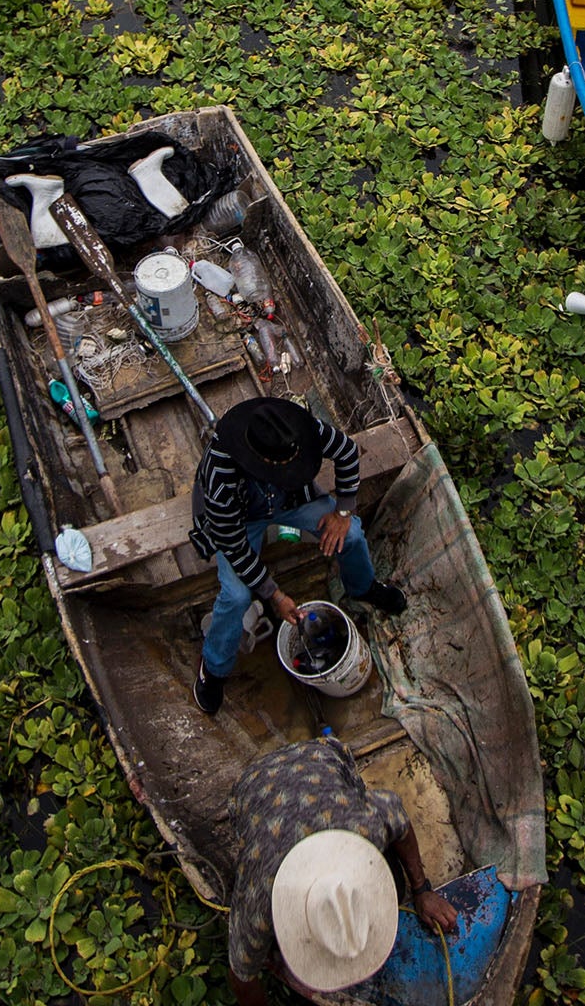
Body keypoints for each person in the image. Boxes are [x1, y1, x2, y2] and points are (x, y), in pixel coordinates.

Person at [190, 398, 407, 715]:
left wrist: (343, 512)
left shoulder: (296, 429)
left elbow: (347, 451)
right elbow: (234, 546)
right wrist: (274, 594)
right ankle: (213, 667)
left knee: (354, 535)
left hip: (289, 499)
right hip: (241, 518)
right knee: (236, 596)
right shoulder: (220, 475)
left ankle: (363, 588)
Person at [225, 736, 458, 1004]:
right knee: (270, 952)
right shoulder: (261, 898)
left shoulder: (364, 827)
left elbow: (398, 817)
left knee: (396, 881)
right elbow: (242, 978)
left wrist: (422, 889)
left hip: (320, 754)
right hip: (251, 786)